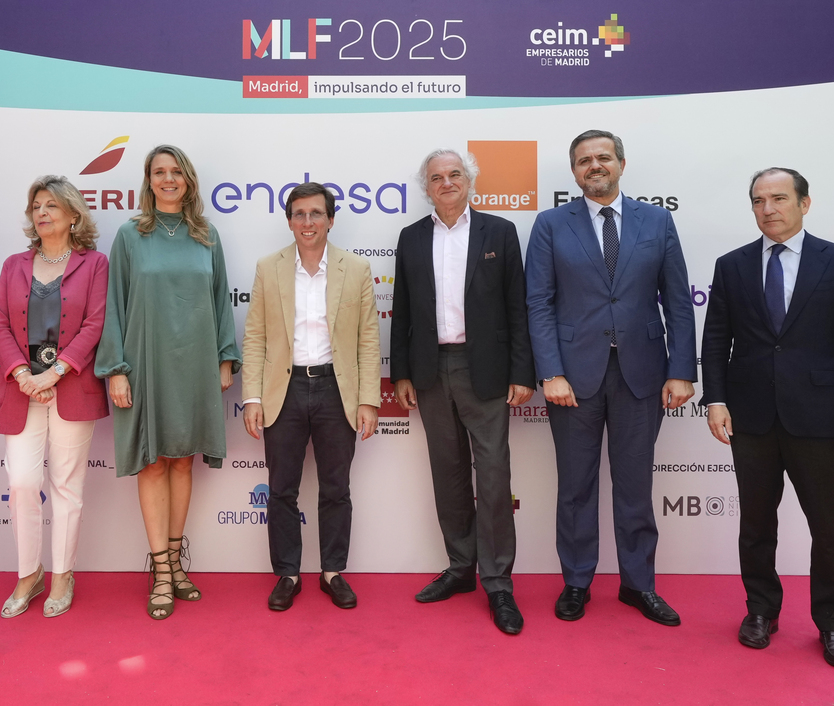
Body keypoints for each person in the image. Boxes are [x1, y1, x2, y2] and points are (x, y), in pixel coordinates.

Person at [700, 168, 834, 669]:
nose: (768, 209)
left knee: (830, 527)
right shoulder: (732, 265)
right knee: (756, 524)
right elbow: (715, 340)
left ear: (804, 203)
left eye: (779, 198)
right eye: (759, 201)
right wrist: (716, 400)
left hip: (821, 418)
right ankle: (761, 610)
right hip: (751, 417)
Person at [525, 130, 696, 627]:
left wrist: (681, 370)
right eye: (584, 161)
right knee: (575, 487)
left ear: (621, 163)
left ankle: (639, 585)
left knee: (635, 487)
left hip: (642, 375)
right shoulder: (551, 224)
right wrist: (550, 372)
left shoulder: (657, 220)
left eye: (603, 157)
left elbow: (678, 300)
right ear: (574, 172)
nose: (594, 166)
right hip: (572, 379)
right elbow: (538, 303)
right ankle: (577, 582)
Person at [390, 149, 535, 635]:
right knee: (447, 473)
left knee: (492, 477)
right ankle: (460, 567)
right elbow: (402, 310)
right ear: (427, 187)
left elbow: (518, 307)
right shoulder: (411, 237)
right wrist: (401, 372)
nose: (446, 182)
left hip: (486, 370)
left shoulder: (500, 232)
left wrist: (523, 372)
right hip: (431, 370)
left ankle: (498, 583)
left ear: (469, 181)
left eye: (455, 174)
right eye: (436, 177)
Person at [95, 144, 240, 620]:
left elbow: (220, 300)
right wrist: (116, 368)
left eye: (176, 171)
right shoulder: (130, 235)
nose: (168, 179)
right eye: (159, 172)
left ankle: (176, 565)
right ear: (148, 180)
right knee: (154, 464)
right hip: (145, 362)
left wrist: (225, 359)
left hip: (195, 364)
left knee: (182, 462)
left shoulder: (207, 235)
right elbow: (114, 305)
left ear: (188, 179)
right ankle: (160, 571)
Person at [241, 182, 381, 612]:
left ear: (330, 219)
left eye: (316, 213)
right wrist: (252, 397)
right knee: (282, 488)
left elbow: (368, 338)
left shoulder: (355, 268)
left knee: (336, 488)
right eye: (299, 214)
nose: (308, 222)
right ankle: (287, 573)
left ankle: (332, 572)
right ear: (289, 221)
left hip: (337, 390)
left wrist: (368, 399)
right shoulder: (269, 267)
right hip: (284, 390)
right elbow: (255, 336)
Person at [0, 176, 109, 618]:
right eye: (36, 206)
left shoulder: (95, 264)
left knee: (66, 486)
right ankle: (29, 574)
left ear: (73, 215)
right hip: (21, 389)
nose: (41, 212)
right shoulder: (13, 265)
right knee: (22, 483)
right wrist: (24, 374)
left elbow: (95, 324)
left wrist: (56, 372)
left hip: (72, 387)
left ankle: (62, 575)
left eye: (51, 206)